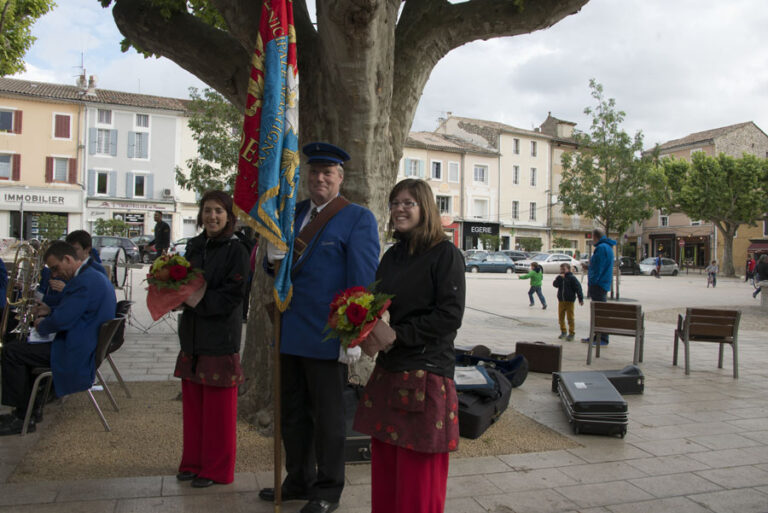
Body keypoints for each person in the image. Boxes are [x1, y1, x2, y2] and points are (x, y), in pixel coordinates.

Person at [258, 142, 379, 513]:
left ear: (340, 178)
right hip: (291, 329)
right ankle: (299, 478)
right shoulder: (292, 213)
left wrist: (353, 337)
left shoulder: (357, 218)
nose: (319, 178)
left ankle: (328, 489)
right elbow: (277, 272)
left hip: (328, 336)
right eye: (314, 172)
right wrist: (268, 258)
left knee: (328, 419)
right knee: (292, 413)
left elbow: (362, 282)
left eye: (328, 173)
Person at [353, 178, 465, 513]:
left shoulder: (445, 254)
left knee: (418, 472)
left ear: (425, 208)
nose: (400, 209)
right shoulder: (392, 256)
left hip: (426, 373)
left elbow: (449, 316)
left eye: (408, 203)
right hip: (389, 369)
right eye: (395, 202)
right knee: (386, 463)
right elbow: (378, 306)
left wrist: (400, 334)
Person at [0, 241, 115, 436]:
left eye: (56, 268)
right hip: (84, 345)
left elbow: (63, 321)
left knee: (12, 352)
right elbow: (77, 312)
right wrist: (51, 311)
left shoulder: (84, 281)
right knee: (23, 349)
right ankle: (30, 411)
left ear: (68, 259)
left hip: (74, 351)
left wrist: (41, 324)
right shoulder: (92, 276)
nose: (54, 274)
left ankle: (21, 418)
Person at [174, 190, 249, 488]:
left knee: (218, 412)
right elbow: (180, 281)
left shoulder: (237, 250)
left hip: (220, 336)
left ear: (229, 216)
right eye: (207, 210)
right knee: (193, 408)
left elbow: (234, 295)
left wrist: (194, 300)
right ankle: (193, 462)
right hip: (191, 336)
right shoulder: (193, 246)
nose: (212, 216)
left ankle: (217, 469)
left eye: (218, 210)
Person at [38, 231, 107, 308]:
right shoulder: (69, 268)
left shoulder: (96, 270)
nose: (70, 252)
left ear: (87, 249)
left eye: (75, 249)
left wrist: (67, 290)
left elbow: (85, 304)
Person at [582, 229, 615, 345]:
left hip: (599, 284)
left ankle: (602, 338)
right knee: (599, 310)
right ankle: (597, 336)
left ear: (595, 237)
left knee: (599, 312)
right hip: (603, 282)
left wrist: (593, 281)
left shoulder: (601, 248)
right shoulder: (608, 247)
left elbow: (598, 267)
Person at [553, 263, 584, 341]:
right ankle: (563, 331)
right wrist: (559, 279)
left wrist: (580, 298)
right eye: (561, 269)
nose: (562, 271)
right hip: (561, 300)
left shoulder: (572, 278)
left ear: (568, 269)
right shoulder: (559, 277)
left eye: (564, 269)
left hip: (570, 300)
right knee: (561, 317)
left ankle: (571, 332)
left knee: (570, 317)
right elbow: (555, 285)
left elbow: (578, 288)